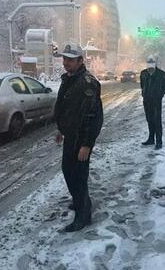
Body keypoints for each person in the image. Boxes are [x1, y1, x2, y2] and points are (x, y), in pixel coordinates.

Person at [54, 43, 103, 232]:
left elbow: (93, 117)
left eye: (70, 60)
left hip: (80, 139)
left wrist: (87, 144)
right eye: (64, 59)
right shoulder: (69, 79)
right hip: (70, 135)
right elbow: (65, 109)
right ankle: (80, 201)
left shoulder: (87, 82)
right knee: (69, 171)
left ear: (80, 61)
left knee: (78, 175)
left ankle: (83, 216)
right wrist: (61, 128)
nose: (66, 63)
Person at [140, 55, 165, 150]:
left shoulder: (161, 74)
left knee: (157, 121)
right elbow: (142, 84)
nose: (150, 68)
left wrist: (160, 94)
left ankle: (159, 142)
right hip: (147, 100)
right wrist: (144, 93)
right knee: (149, 120)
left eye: (152, 64)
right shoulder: (143, 73)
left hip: (156, 101)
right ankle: (151, 139)